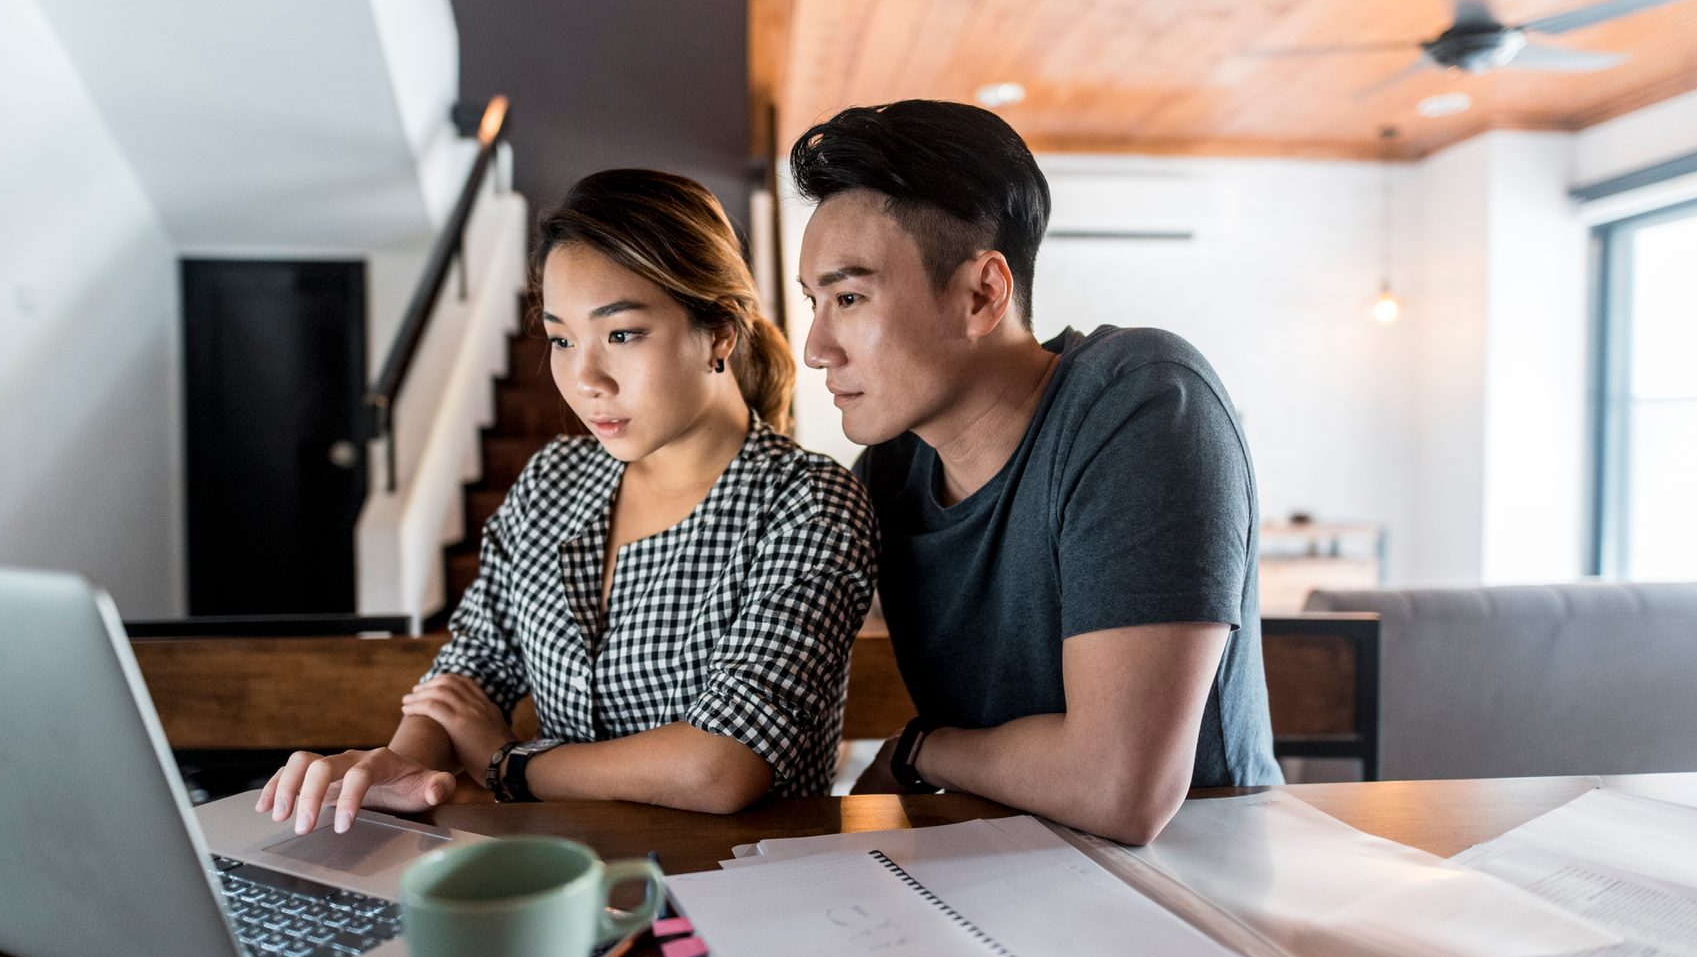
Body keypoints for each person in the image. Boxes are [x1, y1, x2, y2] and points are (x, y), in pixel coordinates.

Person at [260, 169, 877, 835]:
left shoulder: (805, 502)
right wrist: (403, 763)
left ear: (721, 331)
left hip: (741, 894)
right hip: (562, 881)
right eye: (561, 339)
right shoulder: (555, 478)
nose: (584, 380)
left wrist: (509, 765)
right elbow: (472, 664)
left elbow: (721, 767)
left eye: (621, 334)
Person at [791, 100, 1280, 845]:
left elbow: (1119, 789)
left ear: (983, 294)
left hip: (1199, 887)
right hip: (997, 869)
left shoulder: (1141, 399)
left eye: (850, 297)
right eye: (815, 303)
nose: (817, 347)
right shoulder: (888, 472)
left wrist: (920, 751)